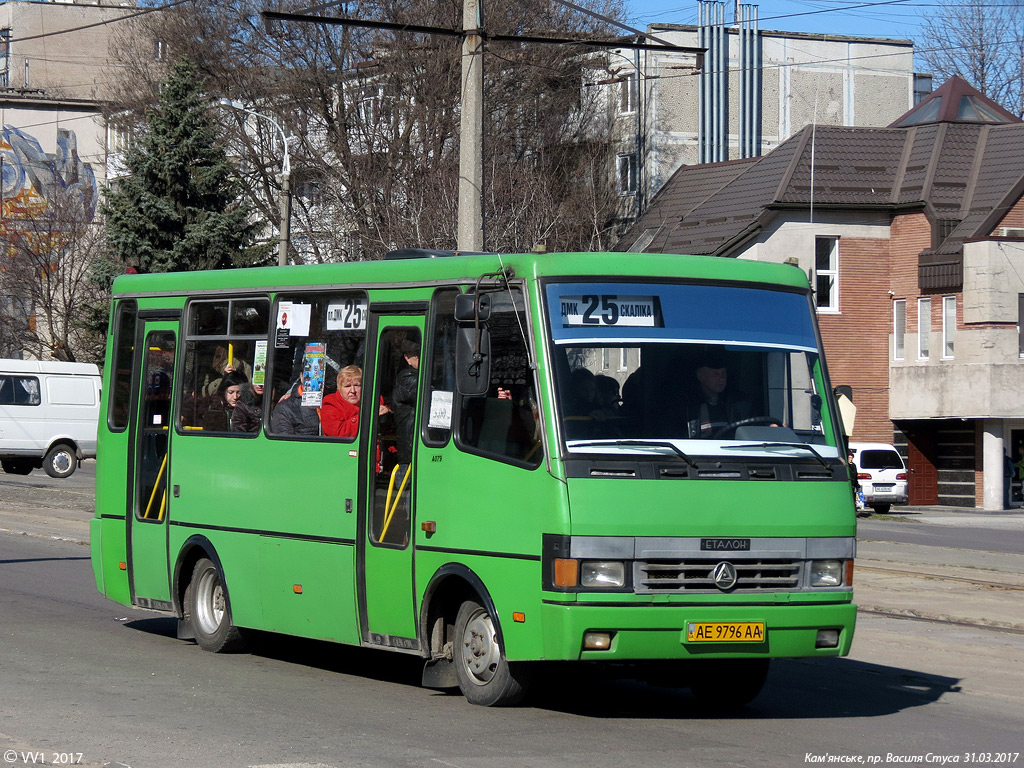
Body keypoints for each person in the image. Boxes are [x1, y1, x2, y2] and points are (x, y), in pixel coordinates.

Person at [684, 349, 752, 438]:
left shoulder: (739, 402)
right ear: (701, 376)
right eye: (716, 374)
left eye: (723, 373)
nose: (722, 378)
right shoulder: (686, 405)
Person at [321, 365, 391, 438]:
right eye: (347, 386)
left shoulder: (375, 401)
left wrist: (387, 414)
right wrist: (367, 416)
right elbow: (338, 433)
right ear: (339, 388)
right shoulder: (331, 403)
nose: (353, 391)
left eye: (357, 385)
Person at [389, 340, 420, 463]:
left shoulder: (423, 375)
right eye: (417, 356)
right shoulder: (406, 378)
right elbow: (423, 393)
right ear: (407, 359)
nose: (422, 359)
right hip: (410, 448)